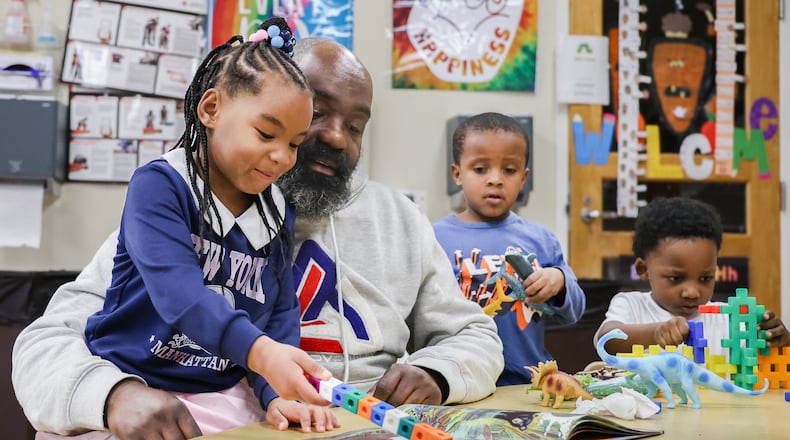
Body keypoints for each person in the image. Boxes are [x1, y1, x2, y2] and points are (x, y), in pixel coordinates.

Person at [13, 37, 503, 439]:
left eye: (355, 126)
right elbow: (45, 343)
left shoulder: (401, 219)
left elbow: (476, 336)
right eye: (315, 114)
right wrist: (112, 394)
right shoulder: (177, 199)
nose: (335, 137)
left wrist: (439, 372)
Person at [18, 19, 340, 439]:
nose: (281, 157)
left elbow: (278, 315)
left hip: (219, 392)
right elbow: (181, 296)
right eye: (266, 133)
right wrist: (262, 355)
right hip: (132, 382)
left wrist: (274, 392)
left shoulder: (276, 210)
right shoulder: (160, 185)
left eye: (295, 144)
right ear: (210, 109)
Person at [432, 112, 586, 385]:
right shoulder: (433, 238)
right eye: (480, 169)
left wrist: (559, 281)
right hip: (457, 384)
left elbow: (573, 311)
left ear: (524, 177)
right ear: (457, 174)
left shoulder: (541, 238)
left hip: (528, 383)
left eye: (509, 170)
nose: (496, 180)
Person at [593, 197, 790, 355]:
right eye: (676, 278)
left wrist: (780, 339)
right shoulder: (631, 306)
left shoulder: (728, 319)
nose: (692, 292)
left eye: (705, 278)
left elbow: (774, 358)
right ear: (643, 269)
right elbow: (607, 340)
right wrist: (655, 333)